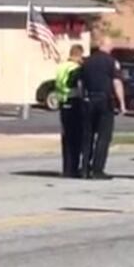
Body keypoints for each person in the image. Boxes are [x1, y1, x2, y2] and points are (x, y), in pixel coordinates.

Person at [78, 36, 126, 180]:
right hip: (104, 101)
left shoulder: (87, 61)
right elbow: (117, 83)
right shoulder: (112, 62)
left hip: (88, 100)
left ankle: (84, 168)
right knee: (103, 137)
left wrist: (82, 98)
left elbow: (80, 83)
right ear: (108, 46)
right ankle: (97, 170)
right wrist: (122, 103)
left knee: (87, 136)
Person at [55, 44, 84, 177]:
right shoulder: (74, 68)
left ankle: (66, 168)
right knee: (75, 138)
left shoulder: (61, 66)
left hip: (62, 102)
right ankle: (73, 168)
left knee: (66, 137)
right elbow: (75, 83)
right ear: (79, 55)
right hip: (73, 101)